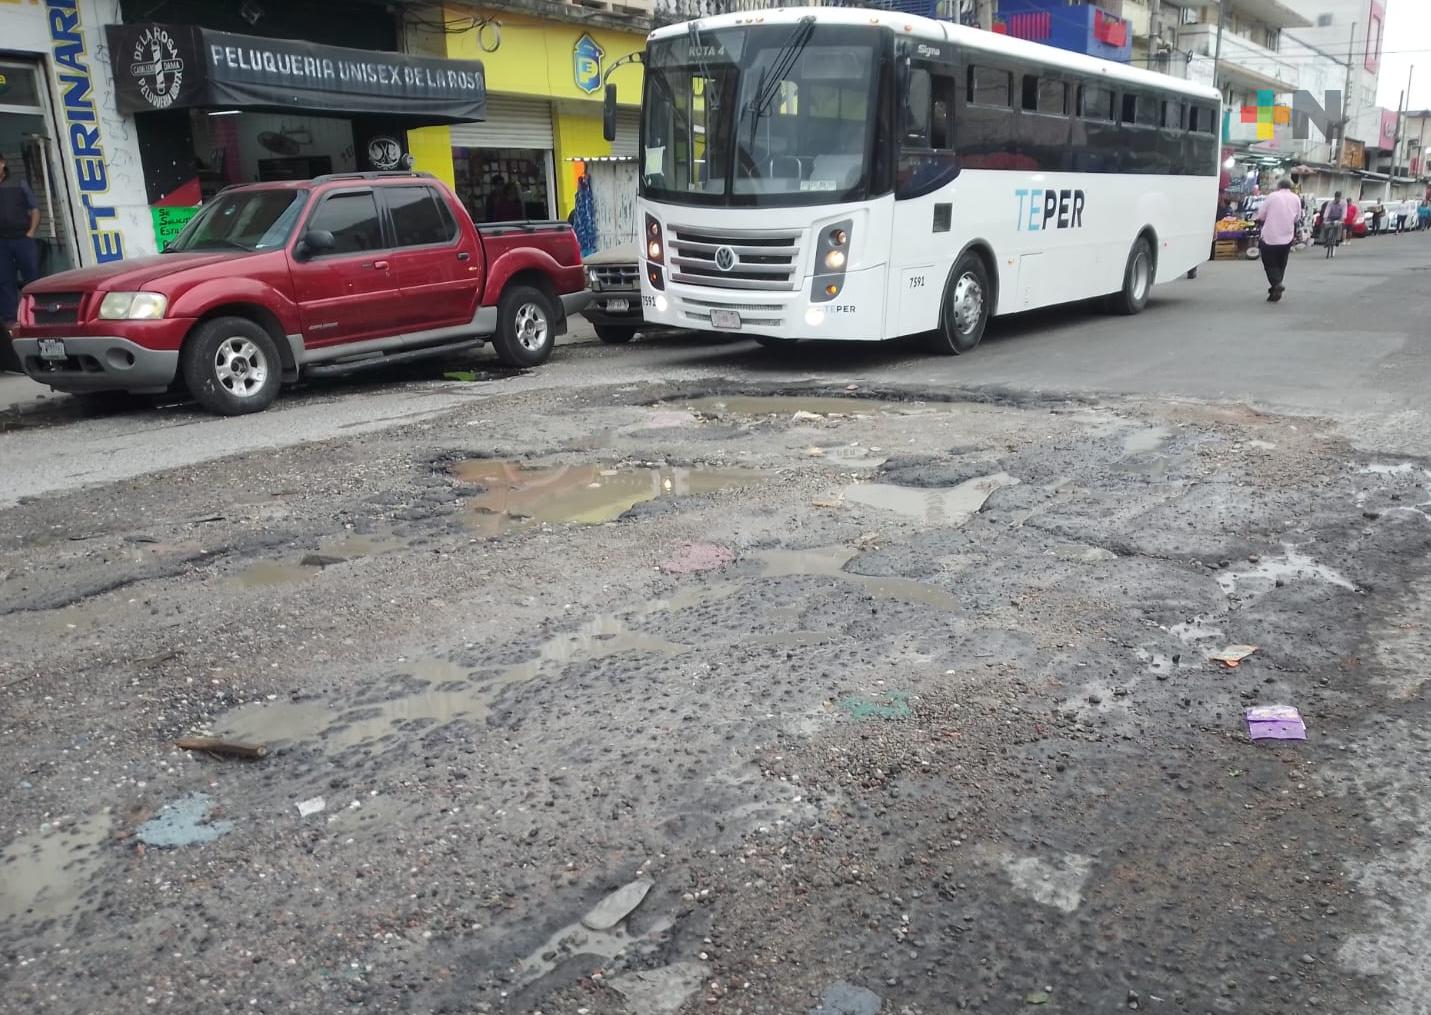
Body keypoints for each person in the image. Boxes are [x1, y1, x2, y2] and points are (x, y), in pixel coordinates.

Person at [0, 151, 41, 328]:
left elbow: (35, 209)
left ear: (2, 163)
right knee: (4, 280)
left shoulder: (19, 182)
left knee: (32, 279)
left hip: (23, 239)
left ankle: (36, 316)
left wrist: (31, 232)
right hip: (2, 242)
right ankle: (10, 320)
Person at [1254, 179, 1301, 302]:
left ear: (1278, 186)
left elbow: (1261, 214)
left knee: (1269, 262)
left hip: (1270, 236)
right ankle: (1276, 287)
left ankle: (1276, 284)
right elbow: (1297, 217)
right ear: (1290, 187)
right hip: (1287, 235)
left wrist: (1260, 219)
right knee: (1282, 262)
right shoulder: (1296, 198)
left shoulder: (1272, 196)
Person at [1322, 191, 1347, 258]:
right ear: (1334, 197)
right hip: (1330, 217)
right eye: (1336, 198)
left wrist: (1342, 219)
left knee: (1339, 227)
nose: (1337, 199)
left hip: (1339, 218)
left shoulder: (1343, 203)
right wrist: (1325, 219)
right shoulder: (1330, 203)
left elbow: (1344, 212)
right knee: (1326, 226)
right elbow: (1327, 211)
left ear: (1340, 198)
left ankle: (1336, 241)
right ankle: (1326, 240)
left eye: (1338, 198)